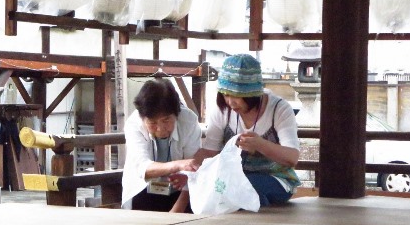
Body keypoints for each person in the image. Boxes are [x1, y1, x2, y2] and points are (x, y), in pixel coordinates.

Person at [193, 54, 301, 206]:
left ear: (253, 94)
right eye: (226, 95)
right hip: (234, 178)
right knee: (225, 188)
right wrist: (188, 167)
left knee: (240, 189)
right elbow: (210, 151)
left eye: (237, 96)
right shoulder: (222, 110)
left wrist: (260, 144)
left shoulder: (279, 109)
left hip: (277, 179)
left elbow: (292, 157)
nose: (230, 102)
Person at [121, 78, 201, 213]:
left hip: (180, 191)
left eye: (166, 120)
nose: (160, 129)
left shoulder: (189, 121)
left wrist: (176, 211)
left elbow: (193, 173)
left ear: (177, 114)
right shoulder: (134, 124)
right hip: (142, 190)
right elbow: (143, 168)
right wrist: (178, 165)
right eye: (152, 123)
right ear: (142, 117)